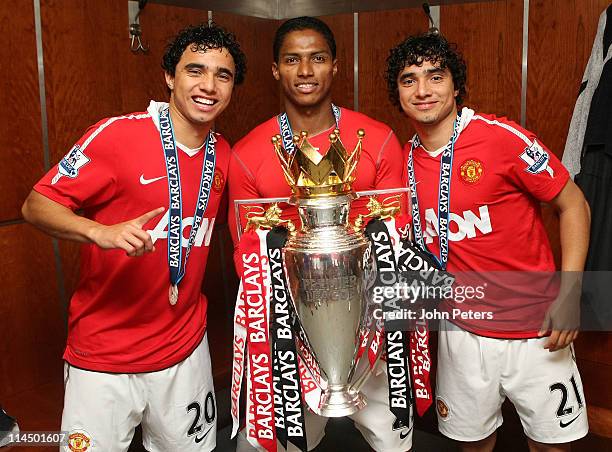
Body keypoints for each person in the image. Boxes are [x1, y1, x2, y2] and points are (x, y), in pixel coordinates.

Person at [21, 23, 246, 452]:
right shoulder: (119, 135)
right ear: (169, 77)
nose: (209, 85)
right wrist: (97, 231)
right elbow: (35, 204)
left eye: (223, 75)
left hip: (184, 351)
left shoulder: (225, 153)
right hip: (104, 357)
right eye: (195, 70)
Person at [385, 33, 591, 451]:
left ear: (456, 85)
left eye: (435, 76)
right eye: (409, 80)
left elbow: (575, 206)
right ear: (398, 93)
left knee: (552, 445)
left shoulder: (501, 137)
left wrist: (570, 294)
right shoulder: (399, 162)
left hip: (536, 330)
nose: (423, 90)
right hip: (460, 333)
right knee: (473, 443)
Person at [228, 16, 412, 452]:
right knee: (272, 446)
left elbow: (397, 237)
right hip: (289, 336)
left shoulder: (379, 140)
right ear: (276, 69)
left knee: (395, 444)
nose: (305, 71)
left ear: (335, 66)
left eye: (317, 58)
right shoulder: (250, 153)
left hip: (371, 331)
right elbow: (247, 256)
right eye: (292, 60)